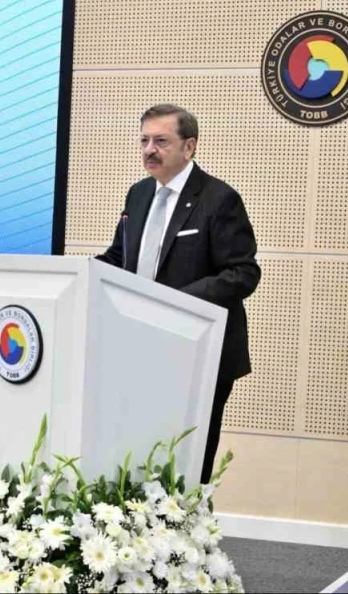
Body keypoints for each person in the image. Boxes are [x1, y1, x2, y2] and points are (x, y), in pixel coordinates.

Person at [96, 103, 260, 484]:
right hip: (141, 346)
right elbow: (120, 257)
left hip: (199, 351)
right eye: (144, 141)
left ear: (189, 147)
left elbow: (243, 273)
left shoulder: (219, 199)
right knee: (139, 452)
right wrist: (80, 273)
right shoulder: (138, 194)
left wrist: (175, 300)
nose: (149, 150)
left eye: (161, 141)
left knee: (187, 462)